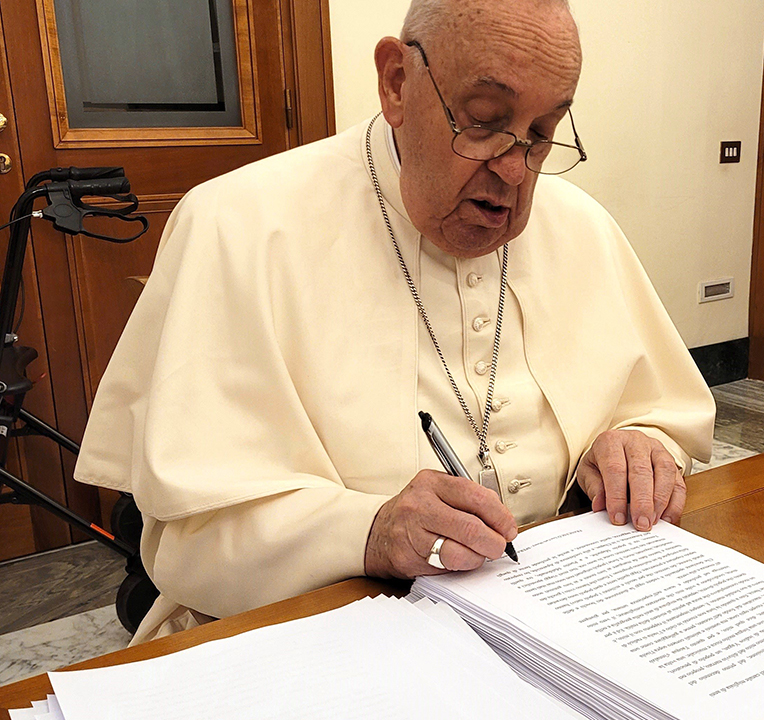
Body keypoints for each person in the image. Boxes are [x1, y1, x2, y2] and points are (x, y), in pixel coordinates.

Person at [76, 0, 715, 642]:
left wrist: (636, 443)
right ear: (396, 83)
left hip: (553, 619)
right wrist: (371, 531)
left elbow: (659, 410)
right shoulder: (236, 225)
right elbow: (189, 542)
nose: (516, 171)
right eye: (486, 122)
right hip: (308, 638)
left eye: (543, 132)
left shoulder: (581, 226)